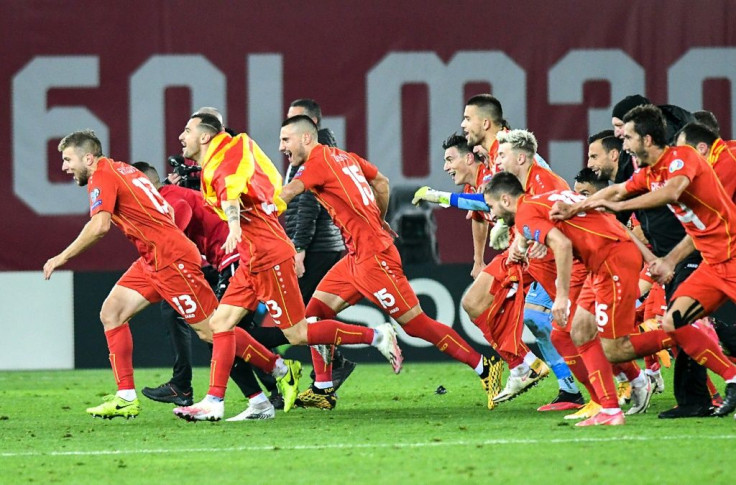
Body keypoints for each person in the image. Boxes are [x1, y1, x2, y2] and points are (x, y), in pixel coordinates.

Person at [172, 113, 402, 422]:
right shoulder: (220, 158)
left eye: (187, 130)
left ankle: (375, 335)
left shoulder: (225, 162)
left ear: (203, 137)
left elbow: (230, 191)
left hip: (269, 256)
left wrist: (236, 225)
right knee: (220, 324)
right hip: (251, 258)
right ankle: (240, 402)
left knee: (298, 334)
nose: (180, 137)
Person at [278, 115, 503, 410]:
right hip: (356, 256)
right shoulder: (346, 157)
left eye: (286, 140)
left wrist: (258, 207)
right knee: (315, 314)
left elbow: (290, 192)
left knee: (417, 325)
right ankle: (322, 387)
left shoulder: (317, 163)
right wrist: (379, 220)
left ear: (306, 138)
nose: (282, 147)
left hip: (374, 258)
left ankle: (485, 367)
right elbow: (381, 182)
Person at [552, 104, 736, 418]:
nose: (623, 145)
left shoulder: (683, 158)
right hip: (711, 264)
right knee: (674, 324)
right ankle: (732, 379)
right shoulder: (649, 174)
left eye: (628, 138)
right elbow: (616, 192)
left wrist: (626, 202)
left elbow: (670, 193)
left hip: (733, 257)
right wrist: (577, 207)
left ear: (647, 139)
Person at [43, 130, 220, 420]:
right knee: (111, 312)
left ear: (88, 157)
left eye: (67, 159)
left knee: (212, 331)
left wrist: (61, 257)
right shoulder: (120, 167)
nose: (64, 166)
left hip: (170, 258)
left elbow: (99, 226)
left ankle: (275, 366)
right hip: (153, 258)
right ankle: (125, 397)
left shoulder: (102, 175)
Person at [484, 172, 645, 426]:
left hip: (611, 259)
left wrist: (560, 296)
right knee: (574, 333)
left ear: (505, 199)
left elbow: (562, 244)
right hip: (604, 259)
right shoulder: (543, 200)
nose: (492, 215)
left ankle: (667, 349)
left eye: (491, 206)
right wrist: (522, 241)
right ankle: (610, 407)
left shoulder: (527, 212)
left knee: (615, 345)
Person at [133, 161, 285, 420]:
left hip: (235, 255)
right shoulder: (171, 195)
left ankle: (283, 364)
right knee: (225, 332)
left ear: (144, 184)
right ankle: (266, 390)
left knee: (221, 332)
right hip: (229, 258)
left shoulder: (167, 198)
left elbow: (173, 236)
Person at [284, 99, 357, 405]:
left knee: (307, 317)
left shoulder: (317, 152)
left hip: (318, 247)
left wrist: (299, 246)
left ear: (311, 123)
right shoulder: (309, 152)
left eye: (296, 120)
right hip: (320, 245)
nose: (288, 126)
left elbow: (310, 203)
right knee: (309, 316)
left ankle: (331, 373)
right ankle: (329, 374)